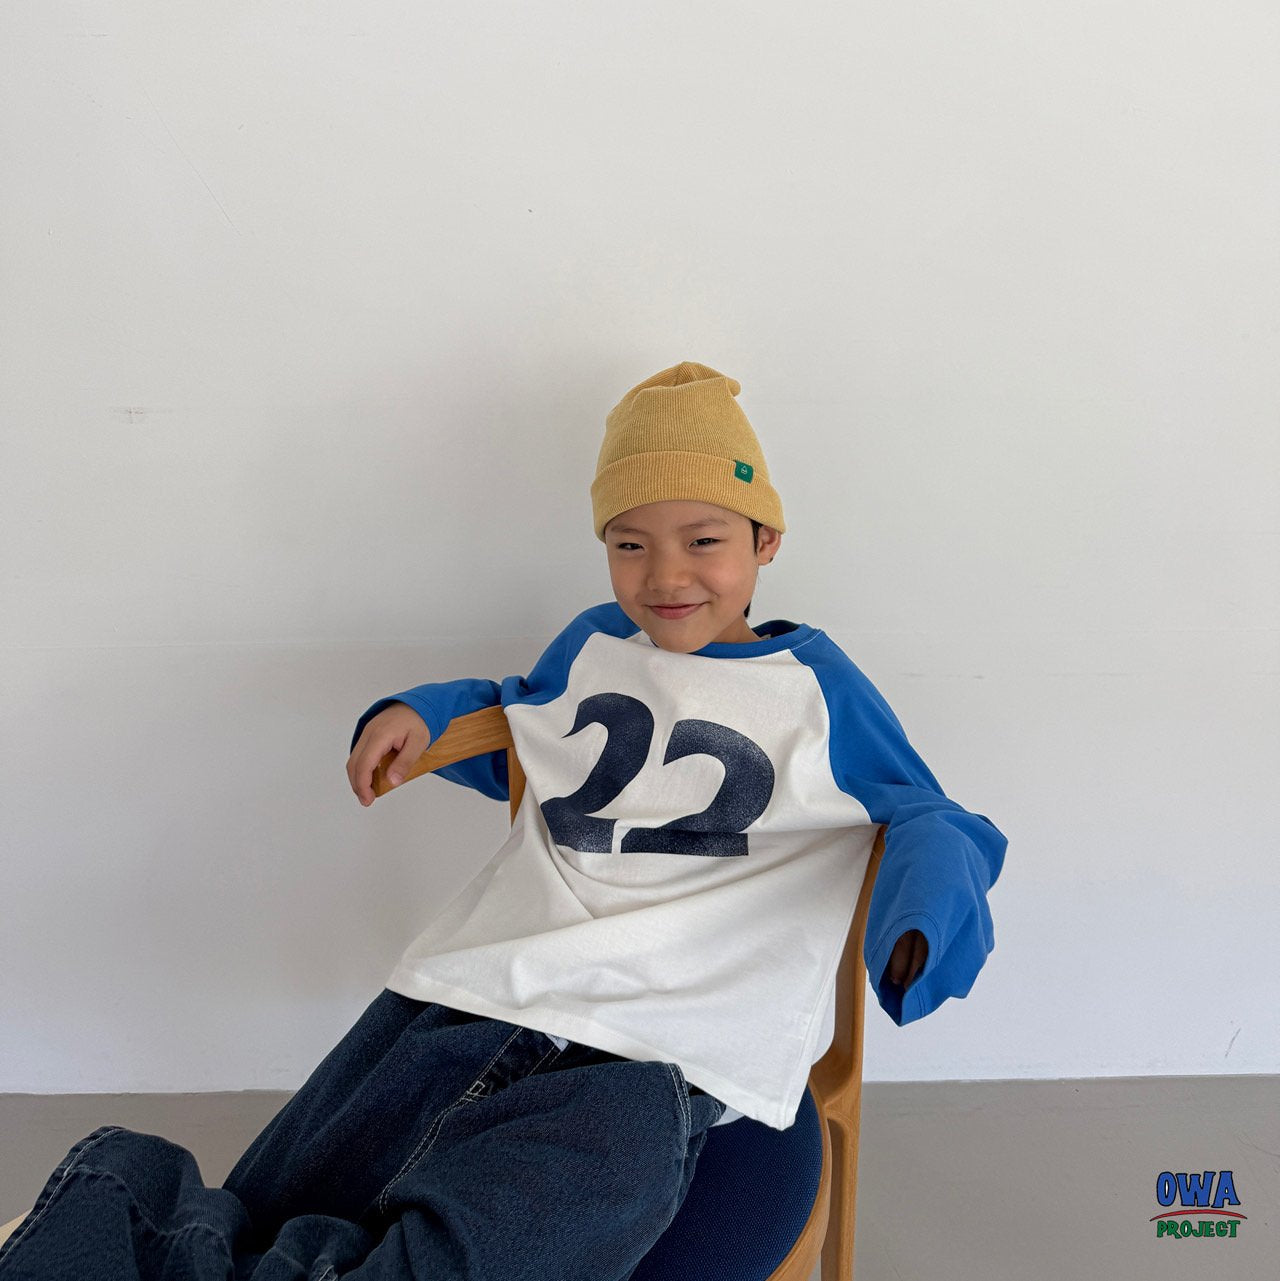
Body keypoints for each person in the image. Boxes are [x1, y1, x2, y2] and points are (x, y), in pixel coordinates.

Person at [0, 361, 1007, 1280]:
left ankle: (140, 1222)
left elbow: (928, 816)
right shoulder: (595, 646)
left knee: (545, 1203)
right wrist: (421, 714)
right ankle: (124, 1204)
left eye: (704, 541)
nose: (665, 577)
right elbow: (520, 720)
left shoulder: (814, 688)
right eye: (629, 545)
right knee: (275, 1199)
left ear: (764, 541)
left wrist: (917, 921)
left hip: (668, 1040)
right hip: (486, 986)